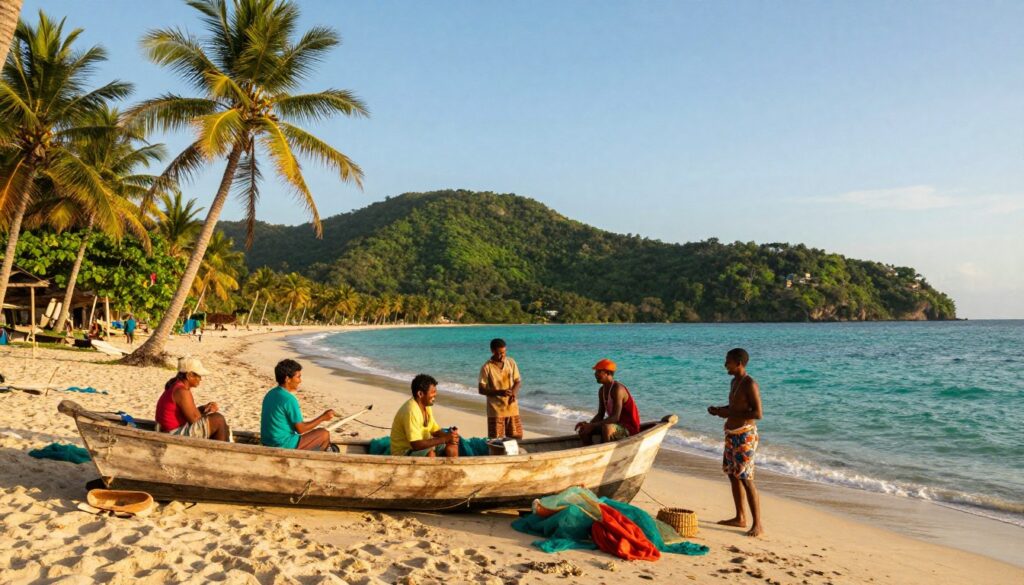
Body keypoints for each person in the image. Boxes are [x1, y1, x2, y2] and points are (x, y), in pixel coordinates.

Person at [707, 347, 764, 537]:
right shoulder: (734, 382)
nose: (725, 365)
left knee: (746, 478)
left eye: (728, 361)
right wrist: (719, 410)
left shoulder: (750, 384)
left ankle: (758, 525)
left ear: (739, 363)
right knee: (732, 474)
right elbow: (734, 407)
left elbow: (757, 413)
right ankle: (740, 517)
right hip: (731, 434)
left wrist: (729, 412)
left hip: (745, 435)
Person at [261, 359, 336, 451]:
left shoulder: (271, 393)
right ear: (287, 379)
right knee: (324, 434)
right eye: (298, 377)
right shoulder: (289, 399)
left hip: (267, 441)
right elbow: (301, 429)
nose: (300, 381)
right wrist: (323, 418)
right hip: (282, 444)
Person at [155, 357, 230, 441]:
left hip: (171, 429)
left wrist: (204, 408)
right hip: (172, 433)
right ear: (189, 375)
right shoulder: (181, 391)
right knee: (218, 419)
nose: (200, 379)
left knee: (220, 423)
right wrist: (207, 414)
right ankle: (220, 452)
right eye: (199, 376)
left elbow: (190, 414)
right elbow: (195, 420)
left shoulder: (177, 386)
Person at [390, 374, 459, 457]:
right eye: (433, 392)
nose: (435, 395)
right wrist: (444, 439)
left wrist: (450, 436)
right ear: (420, 394)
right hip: (404, 452)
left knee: (452, 445)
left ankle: (452, 469)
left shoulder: (426, 406)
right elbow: (416, 444)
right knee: (430, 454)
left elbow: (434, 430)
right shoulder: (411, 411)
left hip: (422, 446)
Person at [575, 359, 641, 445]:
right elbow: (600, 415)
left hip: (629, 428)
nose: (595, 374)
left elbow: (615, 417)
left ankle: (606, 453)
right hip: (615, 425)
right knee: (584, 431)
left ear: (608, 373)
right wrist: (588, 425)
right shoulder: (601, 390)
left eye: (599, 371)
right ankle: (591, 451)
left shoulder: (618, 389)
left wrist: (592, 425)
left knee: (607, 428)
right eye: (596, 372)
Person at [478, 338, 523, 440]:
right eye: (499, 353)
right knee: (497, 441)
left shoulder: (511, 362)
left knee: (517, 438)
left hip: (512, 408)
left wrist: (513, 393)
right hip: (495, 411)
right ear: (492, 351)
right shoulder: (486, 367)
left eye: (504, 352)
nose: (502, 356)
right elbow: (481, 389)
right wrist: (500, 392)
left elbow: (518, 381)